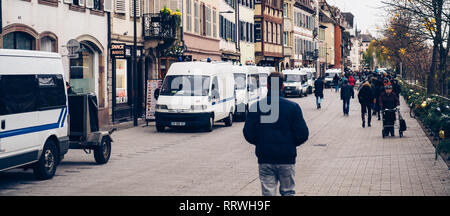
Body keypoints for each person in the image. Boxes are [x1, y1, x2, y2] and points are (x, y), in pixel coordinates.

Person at [243, 72, 309, 196]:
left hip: (265, 158)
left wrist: (261, 142)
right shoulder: (293, 107)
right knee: (288, 192)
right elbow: (303, 134)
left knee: (268, 193)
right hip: (286, 158)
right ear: (282, 86)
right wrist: (290, 143)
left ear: (267, 86)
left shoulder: (256, 107)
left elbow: (248, 133)